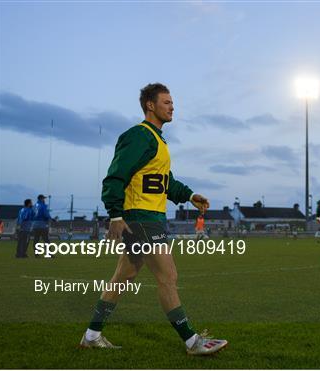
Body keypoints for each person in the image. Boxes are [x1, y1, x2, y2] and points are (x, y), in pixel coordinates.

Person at [79, 83, 227, 355]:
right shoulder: (139, 136)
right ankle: (192, 342)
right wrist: (115, 214)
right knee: (168, 276)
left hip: (148, 217)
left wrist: (191, 195)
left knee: (123, 277)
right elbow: (115, 175)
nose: (172, 107)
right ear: (150, 105)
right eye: (167, 102)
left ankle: (91, 335)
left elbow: (164, 182)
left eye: (173, 103)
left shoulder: (158, 141)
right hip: (141, 218)